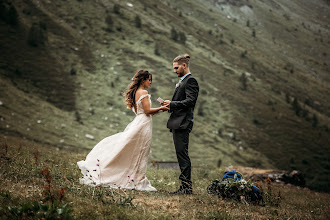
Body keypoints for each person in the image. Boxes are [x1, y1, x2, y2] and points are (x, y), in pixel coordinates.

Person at [77, 70, 169, 191]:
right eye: (149, 79)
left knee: (134, 150)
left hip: (139, 121)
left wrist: (159, 110)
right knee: (141, 151)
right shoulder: (144, 92)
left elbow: (143, 111)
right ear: (143, 80)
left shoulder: (135, 92)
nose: (150, 82)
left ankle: (133, 177)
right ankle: (137, 179)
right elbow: (147, 111)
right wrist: (162, 107)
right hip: (143, 125)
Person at [162, 54, 199, 194]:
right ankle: (185, 187)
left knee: (182, 154)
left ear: (184, 65)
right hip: (178, 122)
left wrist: (172, 104)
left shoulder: (191, 81)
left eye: (176, 68)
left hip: (183, 123)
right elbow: (183, 101)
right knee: (180, 153)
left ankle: (186, 188)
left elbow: (190, 101)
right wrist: (170, 106)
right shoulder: (184, 81)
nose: (174, 70)